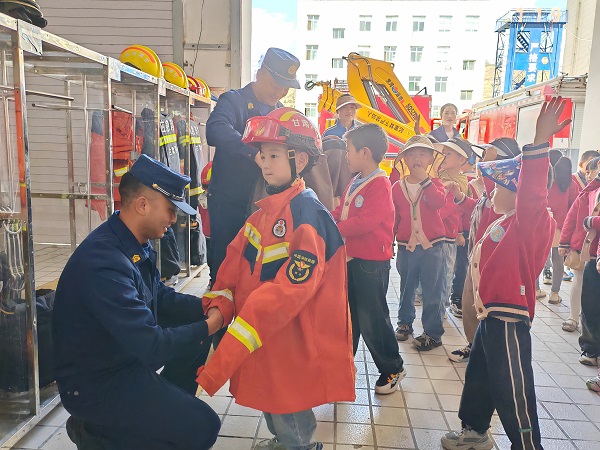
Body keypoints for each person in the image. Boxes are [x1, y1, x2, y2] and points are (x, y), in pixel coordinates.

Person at [196, 108, 355, 450]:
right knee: (273, 399)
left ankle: (299, 446)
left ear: (299, 158)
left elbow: (289, 292)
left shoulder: (307, 215)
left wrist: (229, 347)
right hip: (268, 333)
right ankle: (289, 442)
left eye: (273, 155)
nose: (264, 163)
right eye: (261, 155)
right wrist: (218, 306)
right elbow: (232, 268)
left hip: (291, 338)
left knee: (287, 404)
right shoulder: (264, 214)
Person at [53, 155, 223, 450]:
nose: (173, 220)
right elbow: (152, 343)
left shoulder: (132, 245)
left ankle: (146, 424)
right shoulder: (104, 262)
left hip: (122, 363)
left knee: (193, 341)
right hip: (96, 385)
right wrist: (210, 325)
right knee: (203, 427)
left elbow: (159, 295)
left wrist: (206, 307)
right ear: (142, 205)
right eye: (170, 210)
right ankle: (95, 432)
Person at [441, 97, 569, 450]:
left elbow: (532, 193)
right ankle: (474, 429)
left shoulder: (531, 221)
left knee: (513, 386)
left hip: (509, 316)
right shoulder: (503, 219)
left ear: (520, 194)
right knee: (480, 375)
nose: (493, 189)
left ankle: (528, 445)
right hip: (491, 314)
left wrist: (540, 142)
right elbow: (479, 204)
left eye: (501, 186)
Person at [206, 47, 301, 287]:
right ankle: (219, 321)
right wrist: (254, 153)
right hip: (231, 204)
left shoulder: (280, 112)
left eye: (286, 86)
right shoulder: (234, 100)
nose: (281, 91)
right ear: (260, 74)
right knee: (225, 266)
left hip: (265, 206)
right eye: (277, 83)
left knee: (259, 268)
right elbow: (215, 129)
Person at [331, 123, 406, 395]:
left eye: (348, 151)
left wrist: (334, 228)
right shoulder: (356, 180)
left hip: (371, 264)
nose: (346, 156)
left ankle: (392, 368)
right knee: (349, 316)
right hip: (352, 261)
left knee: (373, 319)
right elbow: (342, 209)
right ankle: (342, 367)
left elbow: (365, 222)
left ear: (365, 152)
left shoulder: (381, 184)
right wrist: (328, 217)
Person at [446, 138, 521, 362]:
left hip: (491, 264)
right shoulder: (493, 193)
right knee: (470, 306)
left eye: (487, 158)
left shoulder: (506, 194)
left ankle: (483, 350)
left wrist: (488, 170)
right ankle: (473, 345)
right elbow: (480, 208)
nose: (480, 161)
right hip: (476, 258)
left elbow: (491, 204)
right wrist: (460, 198)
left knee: (482, 308)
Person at [392, 135, 448, 351]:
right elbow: (395, 216)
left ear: (431, 159)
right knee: (406, 286)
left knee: (432, 289)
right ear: (404, 158)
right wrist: (390, 240)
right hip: (406, 246)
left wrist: (425, 180)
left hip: (433, 246)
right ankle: (404, 323)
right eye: (412, 153)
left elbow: (438, 203)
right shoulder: (398, 186)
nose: (417, 158)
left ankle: (433, 333)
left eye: (422, 154)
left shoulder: (435, 183)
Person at [558, 157, 600, 333]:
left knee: (590, 289)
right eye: (587, 171)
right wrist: (564, 242)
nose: (589, 175)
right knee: (579, 280)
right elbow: (571, 217)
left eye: (593, 171)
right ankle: (573, 317)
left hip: (594, 249)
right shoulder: (586, 193)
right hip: (580, 246)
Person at [436, 138, 475, 317]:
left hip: (449, 234)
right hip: (434, 232)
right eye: (443, 151)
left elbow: (451, 208)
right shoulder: (439, 174)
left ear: (461, 160)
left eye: (449, 153)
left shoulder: (460, 182)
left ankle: (441, 309)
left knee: (445, 273)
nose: (443, 155)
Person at [542, 151, 578, 303]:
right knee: (558, 262)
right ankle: (554, 294)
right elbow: (575, 208)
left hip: (543, 225)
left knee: (539, 258)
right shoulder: (571, 184)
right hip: (561, 229)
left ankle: (536, 289)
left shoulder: (545, 181)